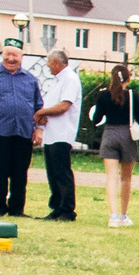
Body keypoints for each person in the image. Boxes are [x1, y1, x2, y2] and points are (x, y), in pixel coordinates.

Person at [0, 42, 44, 219]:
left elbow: (38, 106)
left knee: (20, 172)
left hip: (23, 131)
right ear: (2, 54)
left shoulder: (30, 79)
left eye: (15, 55)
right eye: (7, 54)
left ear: (22, 57)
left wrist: (39, 129)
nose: (11, 59)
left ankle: (17, 209)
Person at [90, 64, 139, 227]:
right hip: (127, 135)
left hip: (110, 134)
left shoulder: (103, 95)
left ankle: (113, 215)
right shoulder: (132, 96)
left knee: (111, 177)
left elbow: (96, 119)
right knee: (126, 178)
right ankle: (123, 215)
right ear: (128, 79)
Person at [34, 47, 82, 221]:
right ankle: (57, 206)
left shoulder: (70, 78)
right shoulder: (58, 80)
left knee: (62, 172)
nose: (48, 66)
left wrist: (41, 112)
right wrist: (44, 115)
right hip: (52, 133)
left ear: (56, 62)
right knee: (53, 172)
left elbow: (64, 105)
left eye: (49, 62)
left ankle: (67, 209)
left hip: (62, 132)